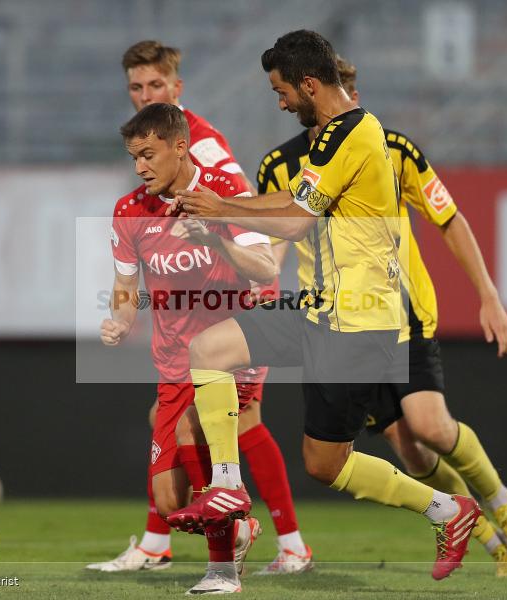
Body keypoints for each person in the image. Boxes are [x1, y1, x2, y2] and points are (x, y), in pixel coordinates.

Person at [166, 31, 481, 592]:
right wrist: (221, 214)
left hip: (360, 324)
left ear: (310, 84)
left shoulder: (356, 133)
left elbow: (293, 223)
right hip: (321, 309)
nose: (281, 102)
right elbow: (289, 202)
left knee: (326, 464)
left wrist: (221, 208)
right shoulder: (336, 133)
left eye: (282, 91)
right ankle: (229, 485)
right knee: (209, 349)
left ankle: (448, 511)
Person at [258, 56, 507, 577]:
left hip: (400, 311)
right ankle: (487, 537)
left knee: (430, 425)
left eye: (356, 92)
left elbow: (448, 218)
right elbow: (275, 245)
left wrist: (489, 295)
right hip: (335, 327)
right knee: (409, 452)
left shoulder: (393, 149)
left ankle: (500, 498)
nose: (354, 104)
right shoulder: (278, 167)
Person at [87, 40, 311, 575]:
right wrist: (120, 317)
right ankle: (240, 536)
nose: (144, 96)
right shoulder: (140, 186)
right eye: (135, 88)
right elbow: (128, 278)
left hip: (235, 315)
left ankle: (230, 551)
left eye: (154, 86)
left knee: (218, 425)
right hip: (183, 331)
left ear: (176, 91)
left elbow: (248, 217)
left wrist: (225, 244)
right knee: (214, 433)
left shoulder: (206, 151)